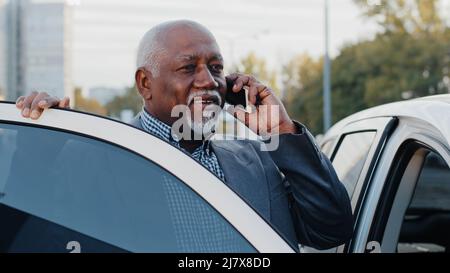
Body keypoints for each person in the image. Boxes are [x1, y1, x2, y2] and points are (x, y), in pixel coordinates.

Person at [16, 20, 353, 250]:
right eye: (188, 68)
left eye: (216, 68)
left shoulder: (258, 161)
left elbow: (331, 231)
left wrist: (283, 132)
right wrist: (38, 146)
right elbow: (28, 237)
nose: (208, 80)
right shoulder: (94, 156)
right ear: (145, 83)